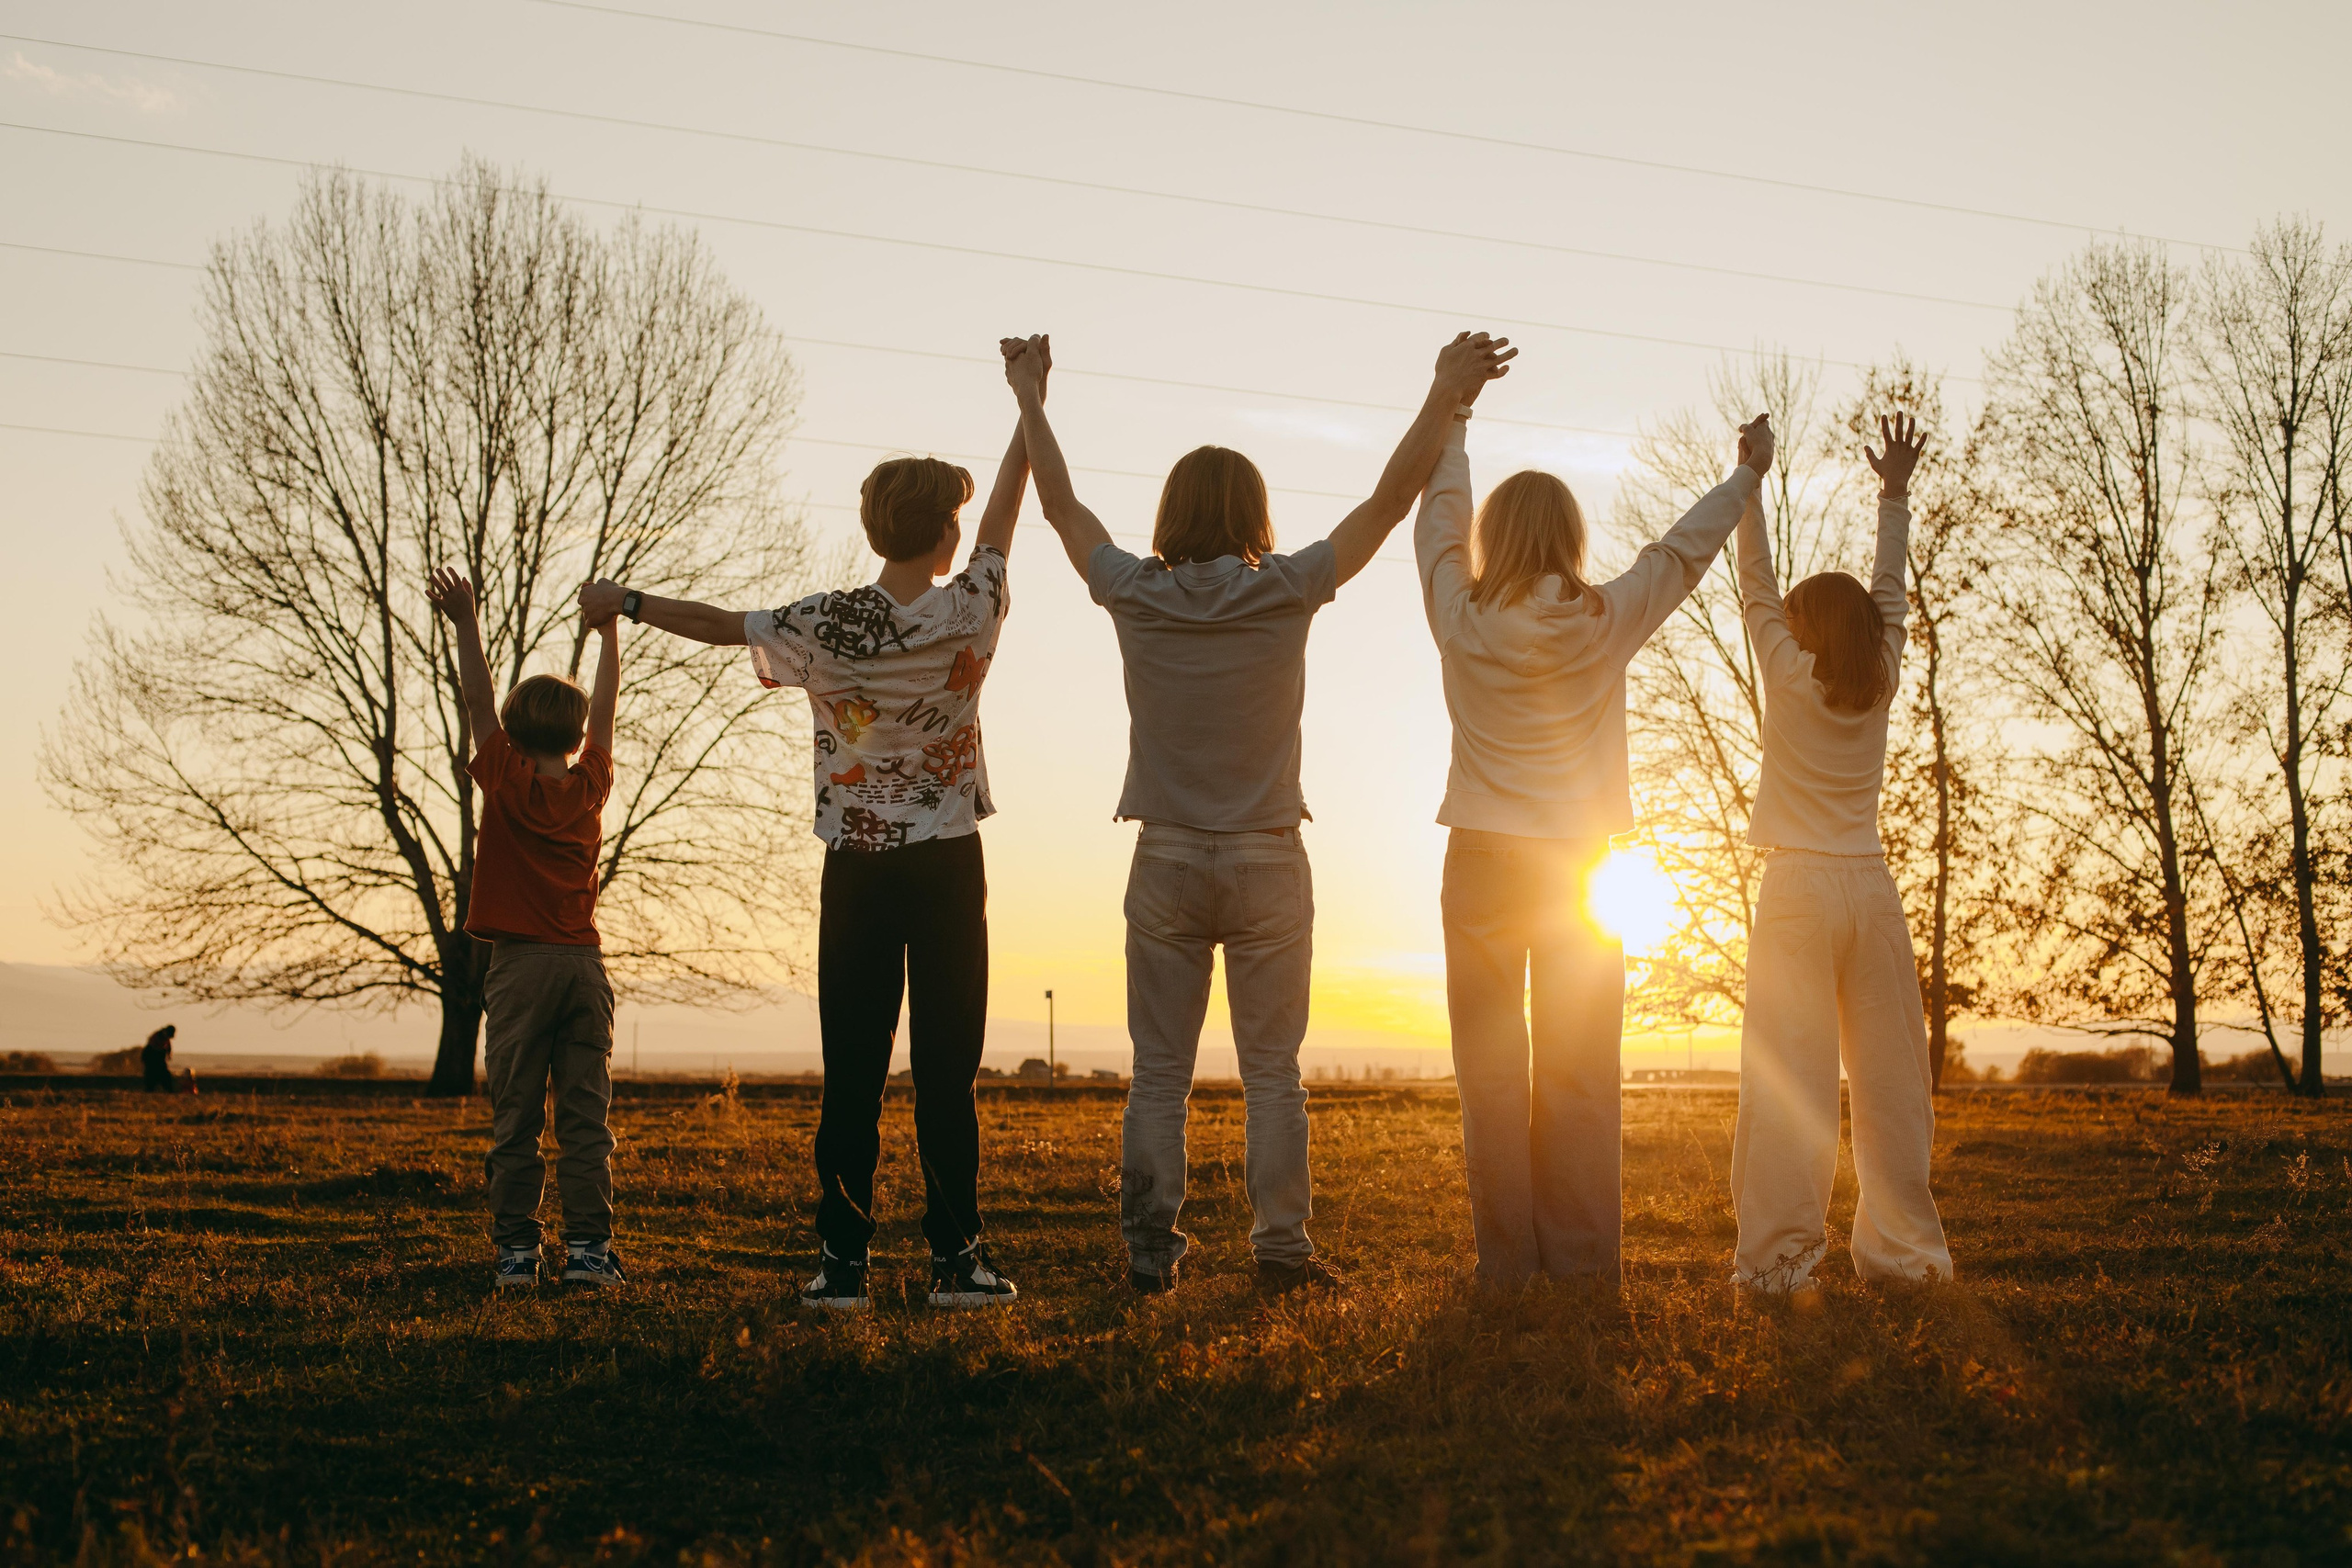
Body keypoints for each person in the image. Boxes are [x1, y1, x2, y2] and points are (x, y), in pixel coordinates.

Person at [1009, 329, 1517, 1296]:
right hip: (1268, 858)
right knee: (1273, 1071)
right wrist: (1445, 396)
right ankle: (1281, 1251)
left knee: (1160, 1072)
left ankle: (1149, 1254)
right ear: (1255, 513)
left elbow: (1063, 508)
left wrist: (1030, 399)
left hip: (1164, 858)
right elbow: (1387, 501)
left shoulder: (1132, 590)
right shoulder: (1286, 587)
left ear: (1171, 513)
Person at [578, 349, 1039, 1314]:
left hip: (858, 869)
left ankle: (843, 1264)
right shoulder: (972, 608)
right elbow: (1007, 511)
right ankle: (957, 1262)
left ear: (874, 527)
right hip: (949, 865)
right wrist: (1028, 402)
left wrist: (626, 602)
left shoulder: (826, 623)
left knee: (853, 1072)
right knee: (947, 1071)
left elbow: (719, 625)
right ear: (945, 534)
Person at [1416, 378, 1774, 1289]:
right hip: (1577, 870)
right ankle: (1579, 1273)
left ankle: (1507, 1269)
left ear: (1493, 540)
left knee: (1492, 1076)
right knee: (1579, 1071)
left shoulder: (1459, 616)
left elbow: (1438, 528)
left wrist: (1455, 422)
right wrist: (1745, 477)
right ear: (1571, 540)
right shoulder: (1604, 620)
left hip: (1481, 862)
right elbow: (1681, 553)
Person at [1728, 412, 1952, 1293]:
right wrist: (1893, 492)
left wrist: (1751, 480)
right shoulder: (1883, 676)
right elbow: (1890, 592)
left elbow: (1753, 581)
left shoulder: (1789, 674)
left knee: (1792, 1080)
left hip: (1797, 889)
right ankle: (1907, 1257)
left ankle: (1782, 1262)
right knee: (1893, 1079)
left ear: (1807, 628)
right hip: (1871, 888)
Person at [426, 566, 625, 1292]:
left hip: (519, 970)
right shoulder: (591, 785)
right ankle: (589, 1254)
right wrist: (608, 635)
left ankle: (517, 1252)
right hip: (583, 967)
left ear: (511, 733)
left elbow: (477, 698)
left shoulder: (505, 780)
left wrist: (466, 620)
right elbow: (607, 711)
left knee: (516, 1116)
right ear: (575, 736)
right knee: (585, 1121)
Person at [140, 1024, 175, 1092]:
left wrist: (169, 1054)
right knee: (151, 1075)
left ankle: (169, 1090)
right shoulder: (156, 1036)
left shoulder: (166, 1038)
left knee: (165, 1075)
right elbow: (153, 1047)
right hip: (150, 1058)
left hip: (159, 1059)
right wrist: (162, 1051)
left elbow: (168, 1048)